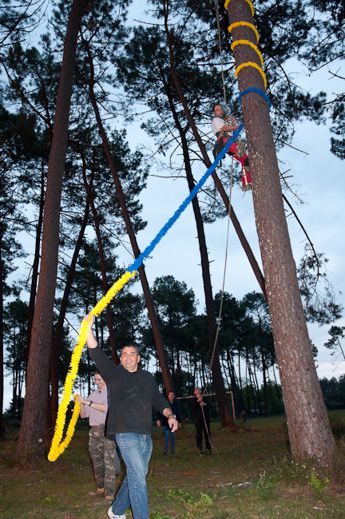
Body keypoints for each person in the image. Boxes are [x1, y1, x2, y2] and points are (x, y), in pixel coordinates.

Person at [84, 314, 178, 519]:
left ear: (138, 358)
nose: (127, 356)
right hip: (125, 434)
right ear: (121, 358)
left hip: (146, 436)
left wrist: (170, 414)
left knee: (137, 476)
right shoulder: (115, 374)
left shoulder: (147, 378)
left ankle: (116, 511)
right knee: (139, 479)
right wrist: (88, 328)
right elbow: (97, 354)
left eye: (132, 353)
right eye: (124, 354)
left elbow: (158, 399)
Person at [76, 373, 121, 500]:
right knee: (97, 462)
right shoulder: (93, 395)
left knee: (109, 462)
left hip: (108, 429)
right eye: (95, 380)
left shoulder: (111, 393)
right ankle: (100, 488)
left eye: (100, 379)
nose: (98, 381)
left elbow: (107, 409)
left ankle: (110, 494)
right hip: (94, 432)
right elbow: (84, 415)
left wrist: (88, 402)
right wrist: (80, 405)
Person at [211, 103, 252, 190]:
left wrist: (233, 122)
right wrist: (236, 126)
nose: (220, 111)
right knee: (234, 146)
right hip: (226, 142)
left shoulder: (223, 120)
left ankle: (246, 183)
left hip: (230, 146)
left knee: (245, 160)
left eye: (221, 109)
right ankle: (238, 149)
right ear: (214, 113)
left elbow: (230, 126)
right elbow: (224, 128)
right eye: (217, 110)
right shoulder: (216, 120)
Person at [156, 391, 181, 455]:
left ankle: (173, 451)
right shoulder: (165, 404)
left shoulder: (176, 405)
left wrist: (179, 422)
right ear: (168, 396)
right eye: (170, 395)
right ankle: (165, 451)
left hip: (173, 424)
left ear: (174, 396)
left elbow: (178, 414)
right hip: (166, 423)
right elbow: (159, 411)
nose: (171, 396)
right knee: (167, 436)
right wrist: (158, 419)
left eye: (172, 395)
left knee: (173, 437)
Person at [191, 387, 212, 455]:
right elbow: (193, 407)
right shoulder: (193, 400)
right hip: (198, 421)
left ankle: (208, 449)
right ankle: (200, 449)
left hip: (206, 420)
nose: (197, 391)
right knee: (199, 435)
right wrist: (198, 402)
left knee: (207, 434)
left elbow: (210, 406)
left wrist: (204, 404)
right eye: (196, 390)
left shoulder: (205, 398)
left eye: (198, 389)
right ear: (194, 392)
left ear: (200, 391)